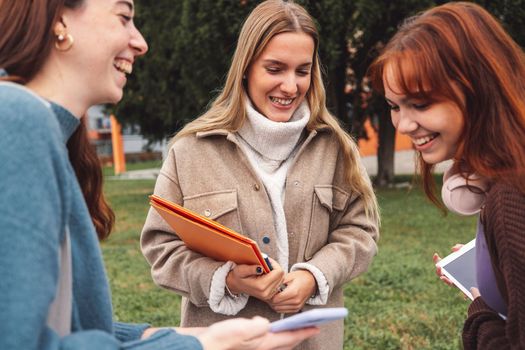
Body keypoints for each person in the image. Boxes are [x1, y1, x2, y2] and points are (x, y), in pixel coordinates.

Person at [0, 0, 318, 349]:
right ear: (60, 20)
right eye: (124, 17)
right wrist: (200, 347)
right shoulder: (17, 121)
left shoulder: (44, 132)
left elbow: (62, 325)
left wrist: (165, 336)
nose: (141, 43)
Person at [141, 1, 380, 349]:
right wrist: (228, 281)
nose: (290, 86)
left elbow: (361, 232)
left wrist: (314, 277)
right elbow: (160, 249)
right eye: (275, 68)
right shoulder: (190, 151)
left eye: (302, 71)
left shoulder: (337, 149)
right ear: (246, 68)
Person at [368, 2, 525, 349]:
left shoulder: (510, 196)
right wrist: (493, 264)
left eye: (421, 104)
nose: (404, 125)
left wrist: (480, 315)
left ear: (478, 91)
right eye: (395, 107)